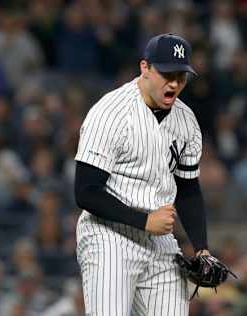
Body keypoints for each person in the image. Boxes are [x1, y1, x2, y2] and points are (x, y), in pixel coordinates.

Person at [74, 33, 210, 315]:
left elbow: (187, 188)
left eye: (181, 76)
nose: (174, 83)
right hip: (109, 234)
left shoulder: (186, 120)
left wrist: (201, 250)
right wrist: (144, 220)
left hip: (159, 237)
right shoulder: (110, 113)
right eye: (166, 73)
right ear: (145, 68)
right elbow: (86, 191)